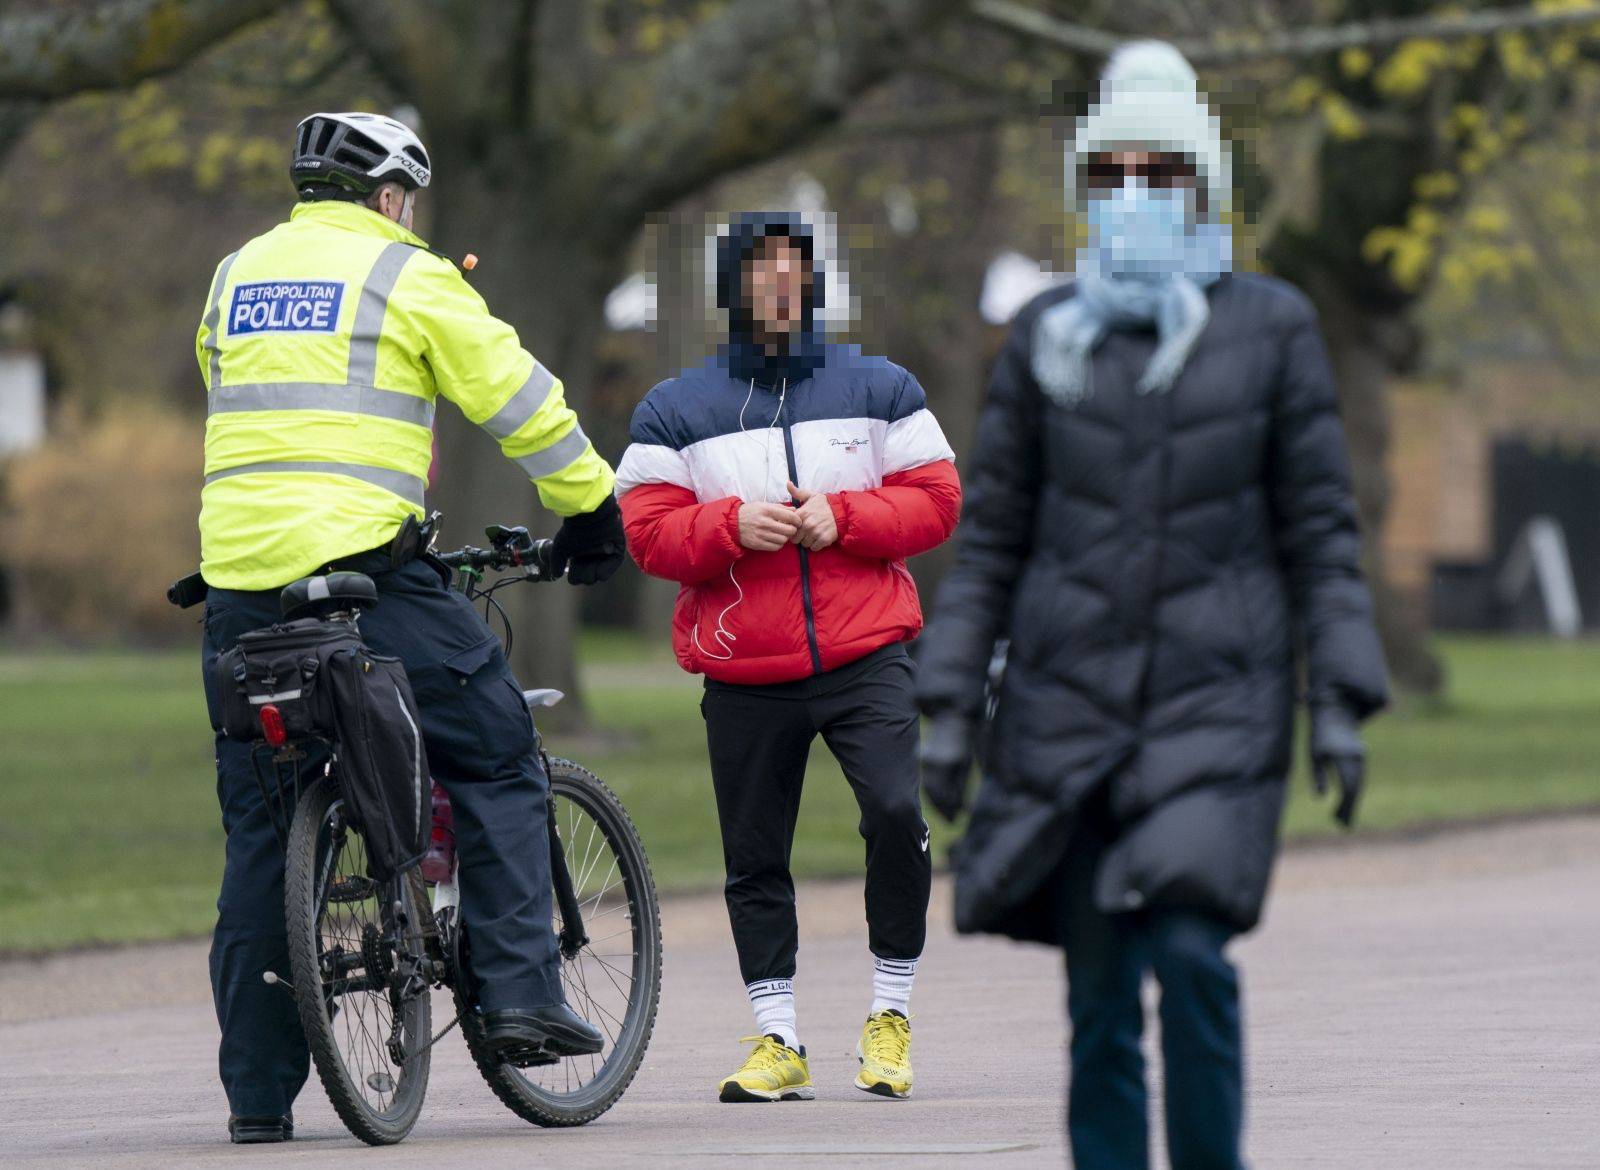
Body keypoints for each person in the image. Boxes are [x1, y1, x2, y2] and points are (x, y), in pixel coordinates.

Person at [915, 44, 1389, 1170]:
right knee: (1097, 996)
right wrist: (947, 709)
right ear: (1086, 193)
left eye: (1160, 171)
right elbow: (991, 538)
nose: (1133, 194)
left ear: (1203, 187)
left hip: (1218, 699)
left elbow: (1319, 530)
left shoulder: (1270, 328)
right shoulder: (1040, 341)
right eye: (1110, 172)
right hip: (1066, 703)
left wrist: (1340, 697)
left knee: (1186, 953)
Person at [194, 111, 625, 1143]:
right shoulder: (407, 271)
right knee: (496, 747)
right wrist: (591, 505)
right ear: (391, 196)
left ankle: (258, 1098)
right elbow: (518, 398)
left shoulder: (235, 275)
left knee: (263, 831)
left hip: (242, 593)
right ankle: (520, 993)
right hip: (365, 585)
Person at [615, 212, 960, 1102]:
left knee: (893, 813)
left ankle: (890, 1018)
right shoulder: (674, 407)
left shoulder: (880, 386)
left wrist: (843, 517)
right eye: (759, 271)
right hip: (743, 666)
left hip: (866, 650)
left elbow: (937, 500)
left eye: (791, 270)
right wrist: (731, 526)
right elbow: (645, 532)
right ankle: (778, 1037)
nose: (778, 285)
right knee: (754, 856)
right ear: (731, 287)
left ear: (813, 283)